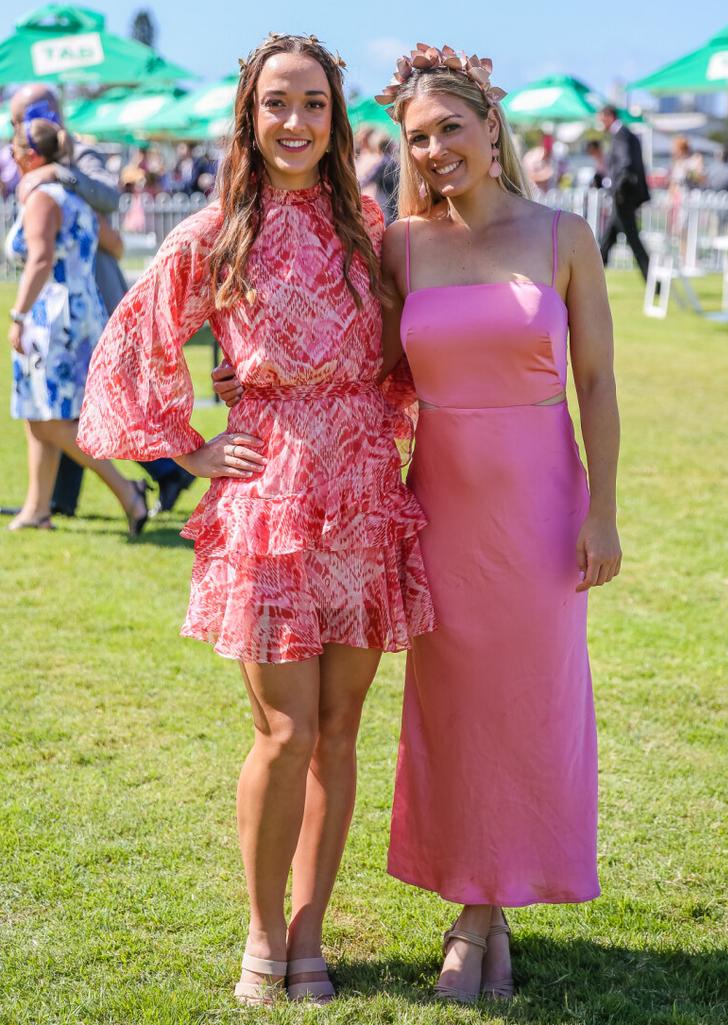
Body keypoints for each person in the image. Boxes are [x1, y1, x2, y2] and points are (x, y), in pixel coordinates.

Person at [77, 33, 434, 1007]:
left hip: (362, 493)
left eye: (313, 103)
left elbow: (406, 349)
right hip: (268, 496)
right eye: (277, 102)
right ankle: (264, 932)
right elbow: (130, 343)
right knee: (285, 727)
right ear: (249, 114)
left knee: (343, 726)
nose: (295, 121)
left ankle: (315, 931)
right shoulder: (215, 230)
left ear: (335, 116)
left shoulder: (369, 225)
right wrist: (187, 446)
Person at [375, 44, 621, 1002]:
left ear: (491, 128)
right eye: (418, 138)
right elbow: (357, 361)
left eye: (450, 129)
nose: (436, 150)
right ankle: (482, 907)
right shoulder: (400, 245)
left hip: (541, 502)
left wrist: (603, 510)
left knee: (527, 705)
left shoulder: (564, 236)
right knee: (454, 707)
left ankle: (476, 922)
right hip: (440, 502)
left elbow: (596, 382)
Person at [10, 84, 194, 518]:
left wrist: (58, 174)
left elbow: (109, 202)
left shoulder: (72, 165)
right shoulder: (51, 186)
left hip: (74, 305)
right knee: (66, 408)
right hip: (77, 305)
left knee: (80, 408)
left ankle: (153, 478)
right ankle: (50, 504)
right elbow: (109, 237)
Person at [6, 110, 149, 534]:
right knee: (40, 413)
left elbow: (41, 258)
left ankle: (128, 492)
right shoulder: (74, 197)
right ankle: (37, 509)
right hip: (82, 310)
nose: (11, 159)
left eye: (14, 151)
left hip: (52, 316)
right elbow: (116, 244)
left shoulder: (43, 197)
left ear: (31, 155)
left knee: (51, 419)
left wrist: (18, 315)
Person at [597, 104, 650, 280]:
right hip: (623, 196)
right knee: (609, 238)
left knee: (632, 240)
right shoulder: (623, 134)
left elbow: (625, 164)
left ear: (609, 116)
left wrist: (617, 189)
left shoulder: (621, 134)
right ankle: (593, 274)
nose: (600, 122)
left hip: (623, 197)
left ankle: (652, 278)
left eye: (601, 118)